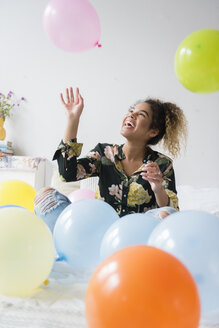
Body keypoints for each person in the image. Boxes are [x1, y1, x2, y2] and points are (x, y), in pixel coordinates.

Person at [34, 87, 187, 232]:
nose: (131, 115)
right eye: (131, 111)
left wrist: (157, 188)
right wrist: (72, 120)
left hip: (137, 234)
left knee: (166, 214)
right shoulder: (104, 153)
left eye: (141, 114)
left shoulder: (162, 164)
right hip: (100, 229)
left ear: (153, 132)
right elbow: (67, 174)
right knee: (45, 196)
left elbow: (172, 211)